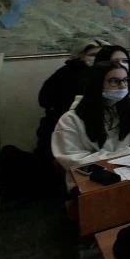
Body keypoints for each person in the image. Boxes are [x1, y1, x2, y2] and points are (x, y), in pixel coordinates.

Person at [51, 61, 130, 189]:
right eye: (114, 81)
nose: (122, 86)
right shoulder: (71, 119)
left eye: (125, 80)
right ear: (96, 84)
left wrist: (108, 158)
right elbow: (72, 160)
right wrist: (124, 154)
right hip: (90, 181)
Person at [37, 38, 112, 168]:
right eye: (92, 55)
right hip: (68, 126)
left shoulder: (113, 73)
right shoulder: (65, 74)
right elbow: (44, 100)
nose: (97, 58)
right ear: (81, 56)